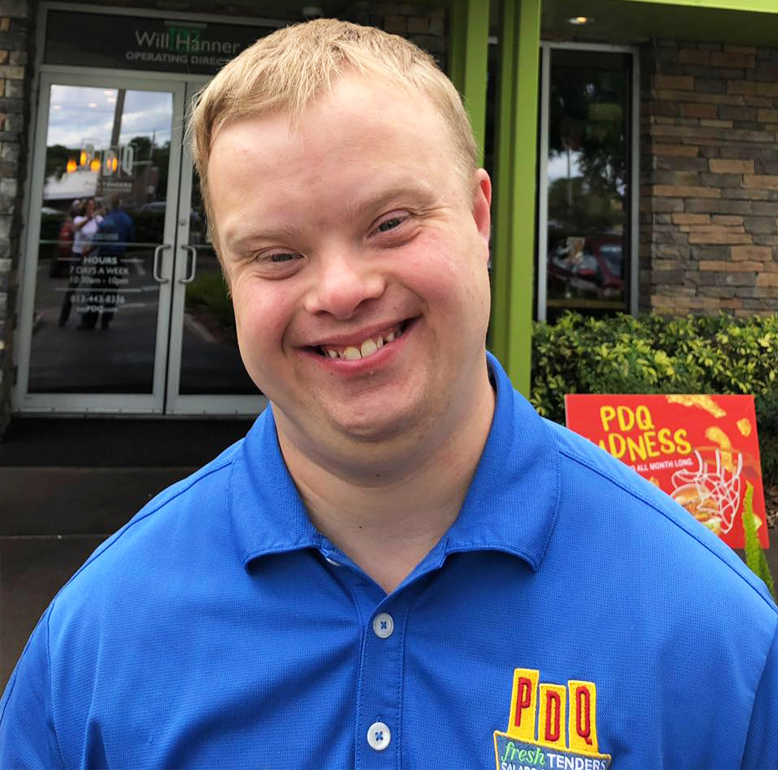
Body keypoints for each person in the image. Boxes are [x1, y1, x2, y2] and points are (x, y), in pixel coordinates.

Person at [1, 20, 776, 769]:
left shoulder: (716, 636)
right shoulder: (100, 633)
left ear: (479, 218)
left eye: (392, 222)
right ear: (230, 277)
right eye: (275, 253)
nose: (340, 291)